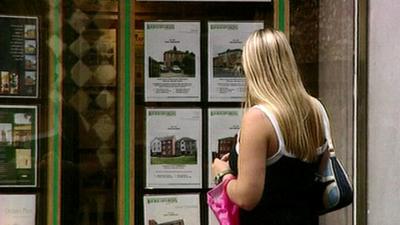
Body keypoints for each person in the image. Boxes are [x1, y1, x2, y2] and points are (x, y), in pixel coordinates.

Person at [212, 28, 334, 225]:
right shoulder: (317, 109)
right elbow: (316, 173)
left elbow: (246, 197)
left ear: (252, 68)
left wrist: (223, 173)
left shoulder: (258, 118)